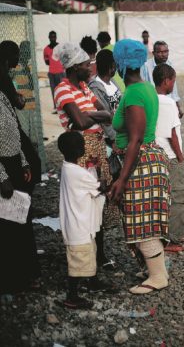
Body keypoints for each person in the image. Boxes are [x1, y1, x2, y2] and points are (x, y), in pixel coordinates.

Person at [109, 39, 171, 294]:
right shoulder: (145, 87)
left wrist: (122, 179)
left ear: (120, 63)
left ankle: (158, 277)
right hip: (149, 159)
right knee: (146, 218)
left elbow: (135, 137)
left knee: (142, 221)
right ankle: (153, 269)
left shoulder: (134, 93)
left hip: (140, 163)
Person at [52, 43, 116, 271]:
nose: (90, 67)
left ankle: (98, 256)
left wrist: (90, 115)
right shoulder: (62, 89)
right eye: (85, 65)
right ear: (73, 67)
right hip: (80, 149)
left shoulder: (83, 86)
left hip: (97, 146)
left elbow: (106, 113)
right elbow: (78, 123)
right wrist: (94, 116)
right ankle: (86, 259)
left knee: (99, 201)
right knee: (86, 203)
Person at [0, 41, 41, 294]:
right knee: (9, 223)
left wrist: (24, 162)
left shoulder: (3, 94)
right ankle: (13, 277)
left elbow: (13, 129)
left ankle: (24, 273)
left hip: (14, 162)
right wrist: (2, 175)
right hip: (4, 167)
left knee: (19, 219)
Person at [58, 132, 111, 309]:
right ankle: (71, 296)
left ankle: (93, 282)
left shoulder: (67, 167)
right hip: (78, 227)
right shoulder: (78, 173)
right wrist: (107, 179)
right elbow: (100, 187)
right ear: (81, 149)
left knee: (89, 253)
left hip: (78, 224)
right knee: (79, 262)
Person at [153, 63, 184, 253]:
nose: (174, 85)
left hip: (157, 154)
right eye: (173, 81)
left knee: (162, 196)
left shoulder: (151, 99)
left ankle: (162, 234)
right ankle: (174, 238)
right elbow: (172, 134)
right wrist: (181, 157)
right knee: (178, 197)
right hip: (170, 155)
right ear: (166, 81)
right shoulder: (168, 102)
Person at [88, 49, 122, 146]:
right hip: (112, 138)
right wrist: (114, 139)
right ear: (111, 67)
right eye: (114, 64)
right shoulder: (96, 88)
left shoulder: (112, 81)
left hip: (121, 133)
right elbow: (103, 118)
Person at [141, 40, 183, 118]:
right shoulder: (146, 67)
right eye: (160, 52)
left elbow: (174, 89)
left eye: (165, 51)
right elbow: (143, 88)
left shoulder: (170, 65)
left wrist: (178, 107)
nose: (163, 55)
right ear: (153, 53)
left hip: (169, 104)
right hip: (153, 105)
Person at [43, 31, 65, 112]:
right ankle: (56, 107)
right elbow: (46, 61)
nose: (53, 38)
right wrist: (53, 63)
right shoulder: (46, 49)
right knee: (54, 91)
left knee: (62, 90)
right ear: (49, 38)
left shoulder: (60, 47)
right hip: (52, 73)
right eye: (51, 37)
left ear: (56, 37)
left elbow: (64, 58)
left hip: (61, 72)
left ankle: (64, 106)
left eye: (54, 37)